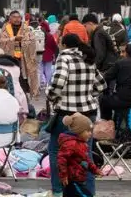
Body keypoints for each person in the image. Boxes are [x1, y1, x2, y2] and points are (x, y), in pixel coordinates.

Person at [46, 34, 105, 195]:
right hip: (88, 112)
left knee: (56, 151)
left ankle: (58, 191)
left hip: (67, 113)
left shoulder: (64, 57)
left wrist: (51, 96)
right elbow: (101, 85)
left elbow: (58, 82)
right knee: (85, 153)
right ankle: (88, 192)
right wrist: (86, 95)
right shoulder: (87, 57)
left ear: (64, 44)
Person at [57, 112, 95, 197]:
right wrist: (64, 175)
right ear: (79, 131)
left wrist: (94, 169)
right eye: (88, 131)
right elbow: (61, 159)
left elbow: (86, 159)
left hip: (79, 178)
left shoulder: (81, 144)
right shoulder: (71, 143)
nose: (90, 134)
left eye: (91, 131)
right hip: (72, 179)